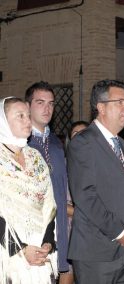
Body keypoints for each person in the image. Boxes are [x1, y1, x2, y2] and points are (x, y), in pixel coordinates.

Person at [67, 79, 124, 283]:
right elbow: (85, 196)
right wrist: (121, 233)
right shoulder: (83, 142)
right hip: (97, 253)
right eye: (120, 102)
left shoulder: (121, 144)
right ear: (101, 107)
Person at [0, 97, 57, 283]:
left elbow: (49, 203)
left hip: (39, 248)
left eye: (28, 115)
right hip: (7, 252)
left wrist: (48, 242)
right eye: (20, 116)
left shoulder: (35, 156)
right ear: (3, 121)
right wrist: (21, 249)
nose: (28, 121)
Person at [25, 82, 69, 283]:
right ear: (27, 107)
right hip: (31, 236)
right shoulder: (19, 143)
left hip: (58, 229)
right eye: (40, 102)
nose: (47, 108)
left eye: (51, 103)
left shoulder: (56, 143)